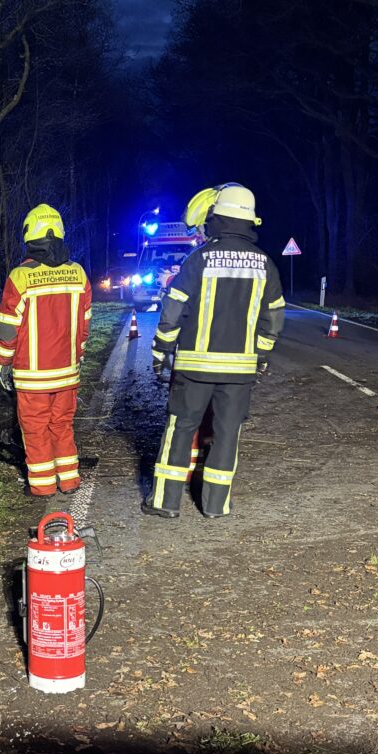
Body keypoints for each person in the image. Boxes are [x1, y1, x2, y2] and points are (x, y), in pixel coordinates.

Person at [142, 182, 285, 521]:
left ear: (216, 218)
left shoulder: (199, 259)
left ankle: (165, 502)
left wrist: (162, 351)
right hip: (240, 373)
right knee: (226, 436)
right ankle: (216, 506)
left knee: (180, 430)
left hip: (194, 369)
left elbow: (173, 310)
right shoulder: (266, 265)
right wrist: (261, 357)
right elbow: (273, 320)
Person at [0, 203, 91, 498]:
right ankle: (70, 480)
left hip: (32, 377)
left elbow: (8, 328)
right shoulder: (78, 274)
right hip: (67, 373)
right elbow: (85, 325)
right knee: (62, 426)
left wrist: (3, 362)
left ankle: (43, 485)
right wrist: (78, 357)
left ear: (29, 236)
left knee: (35, 430)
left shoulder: (20, 277)